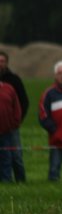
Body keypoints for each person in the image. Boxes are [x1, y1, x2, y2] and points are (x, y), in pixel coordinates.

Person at [0, 51, 29, 182]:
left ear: (7, 63)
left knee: (16, 155)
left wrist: (16, 122)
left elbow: (23, 102)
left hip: (11, 127)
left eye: (2, 61)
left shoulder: (14, 80)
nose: (0, 64)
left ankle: (20, 180)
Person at [0, 81, 21, 182]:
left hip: (6, 131)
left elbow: (16, 108)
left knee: (6, 158)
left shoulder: (9, 88)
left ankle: (6, 180)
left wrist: (13, 124)